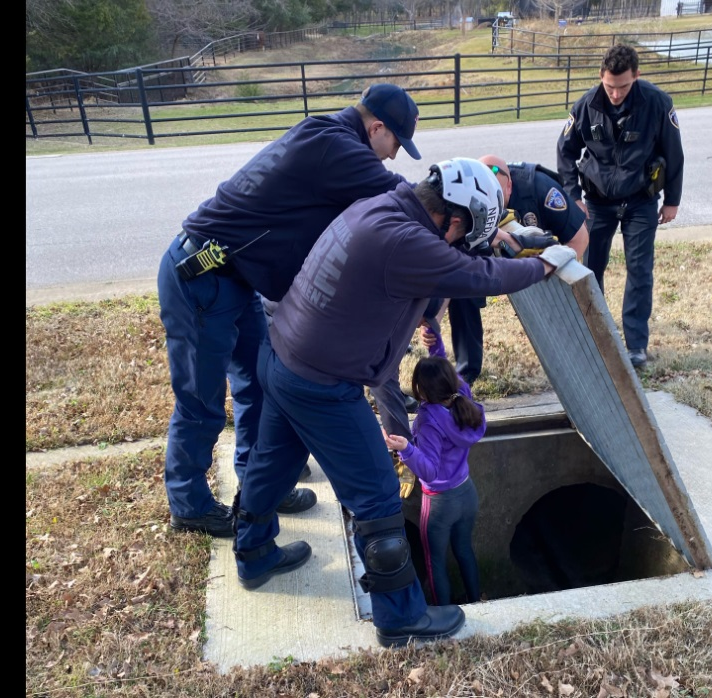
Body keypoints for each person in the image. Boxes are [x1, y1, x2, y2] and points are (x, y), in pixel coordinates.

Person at [231, 157, 578, 648]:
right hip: (322, 383)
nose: (459, 244)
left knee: (272, 462)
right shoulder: (409, 241)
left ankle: (252, 553)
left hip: (282, 355)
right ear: (452, 218)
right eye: (462, 235)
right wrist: (543, 264)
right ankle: (400, 617)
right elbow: (478, 277)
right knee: (376, 496)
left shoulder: (383, 207)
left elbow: (433, 280)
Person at [157, 83, 423, 538]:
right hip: (202, 276)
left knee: (258, 386)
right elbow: (407, 199)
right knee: (201, 402)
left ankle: (258, 484)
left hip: (235, 278)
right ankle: (188, 504)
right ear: (376, 127)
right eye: (396, 142)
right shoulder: (337, 147)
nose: (394, 154)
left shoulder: (326, 135)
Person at [556, 43, 685, 369]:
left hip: (641, 200)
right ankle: (598, 336)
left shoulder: (657, 103)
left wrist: (672, 200)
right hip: (597, 202)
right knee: (590, 269)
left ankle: (636, 346)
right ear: (601, 76)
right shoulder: (586, 105)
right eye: (610, 86)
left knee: (639, 270)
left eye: (623, 87)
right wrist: (573, 196)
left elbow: (674, 153)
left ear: (636, 76)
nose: (615, 94)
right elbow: (565, 152)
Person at [440, 154, 590, 386]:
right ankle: (466, 370)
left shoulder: (540, 188)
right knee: (463, 284)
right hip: (490, 244)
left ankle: (571, 358)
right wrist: (434, 316)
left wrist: (556, 277)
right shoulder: (469, 194)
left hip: (538, 252)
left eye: (499, 196)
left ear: (509, 185)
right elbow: (450, 258)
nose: (495, 203)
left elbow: (579, 239)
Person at [383, 321, 485, 606]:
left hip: (440, 502)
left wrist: (405, 449)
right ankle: (477, 599)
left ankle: (443, 611)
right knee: (464, 550)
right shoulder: (461, 392)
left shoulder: (428, 421)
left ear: (423, 392)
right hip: (467, 492)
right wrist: (434, 343)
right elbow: (443, 370)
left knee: (434, 561)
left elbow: (429, 470)